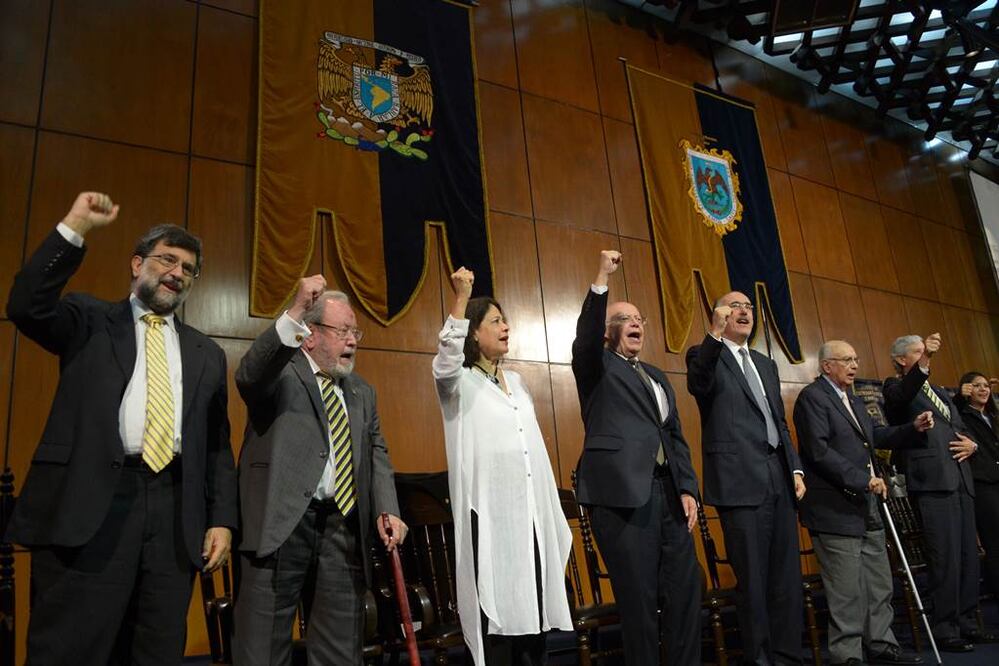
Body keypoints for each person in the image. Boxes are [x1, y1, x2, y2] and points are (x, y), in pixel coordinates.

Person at [5, 192, 237, 665]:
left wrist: (221, 519)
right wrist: (74, 225)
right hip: (93, 505)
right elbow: (27, 304)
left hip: (174, 512)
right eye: (167, 259)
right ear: (137, 264)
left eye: (188, 269)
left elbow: (215, 446)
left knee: (156, 648)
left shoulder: (206, 354)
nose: (176, 273)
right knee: (71, 647)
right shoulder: (88, 320)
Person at [232, 276, 406, 666]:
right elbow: (249, 374)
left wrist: (388, 506)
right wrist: (294, 311)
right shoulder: (281, 373)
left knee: (341, 654)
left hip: (341, 529)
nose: (353, 340)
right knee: (261, 651)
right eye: (342, 330)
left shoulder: (362, 391)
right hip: (281, 526)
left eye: (355, 331)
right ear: (309, 336)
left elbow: (376, 449)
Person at [433, 267, 572, 665]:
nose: (506, 326)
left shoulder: (517, 382)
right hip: (490, 519)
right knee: (498, 622)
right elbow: (444, 361)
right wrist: (461, 298)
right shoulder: (458, 383)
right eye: (496, 321)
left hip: (528, 515)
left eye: (505, 320)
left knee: (534, 617)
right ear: (473, 333)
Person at [572, 250, 701, 665]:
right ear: (609, 332)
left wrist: (687, 489)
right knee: (639, 603)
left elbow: (675, 436)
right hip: (622, 497)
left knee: (685, 593)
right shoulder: (596, 366)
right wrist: (601, 278)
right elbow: (586, 336)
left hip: (668, 496)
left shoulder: (659, 376)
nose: (635, 325)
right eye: (624, 319)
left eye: (639, 319)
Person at [686, 291, 806, 665]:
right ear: (720, 314)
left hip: (779, 475)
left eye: (749, 307)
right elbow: (698, 383)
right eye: (735, 306)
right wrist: (714, 335)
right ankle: (760, 659)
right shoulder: (705, 354)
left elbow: (778, 422)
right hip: (739, 481)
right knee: (752, 581)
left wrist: (795, 467)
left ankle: (787, 656)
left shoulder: (765, 364)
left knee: (786, 576)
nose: (745, 312)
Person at [793, 340, 930, 666]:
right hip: (835, 507)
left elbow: (876, 437)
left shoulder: (852, 401)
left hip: (868, 503)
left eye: (856, 358)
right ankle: (848, 655)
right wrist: (861, 478)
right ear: (827, 366)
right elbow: (818, 451)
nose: (854, 364)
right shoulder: (813, 399)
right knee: (846, 590)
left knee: (878, 582)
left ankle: (881, 644)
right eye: (846, 359)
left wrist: (912, 428)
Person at [882, 333, 992, 652]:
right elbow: (903, 396)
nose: (924, 355)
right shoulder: (894, 385)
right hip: (931, 482)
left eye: (925, 352)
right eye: (917, 352)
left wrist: (971, 443)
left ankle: (969, 622)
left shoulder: (941, 392)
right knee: (943, 557)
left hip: (960, 478)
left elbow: (960, 426)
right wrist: (926, 361)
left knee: (967, 555)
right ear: (903, 360)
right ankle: (945, 627)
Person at [954, 371, 999, 600]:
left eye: (985, 386)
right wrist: (959, 398)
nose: (983, 389)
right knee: (994, 540)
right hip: (983, 484)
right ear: (966, 390)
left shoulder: (993, 415)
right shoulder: (963, 416)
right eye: (976, 386)